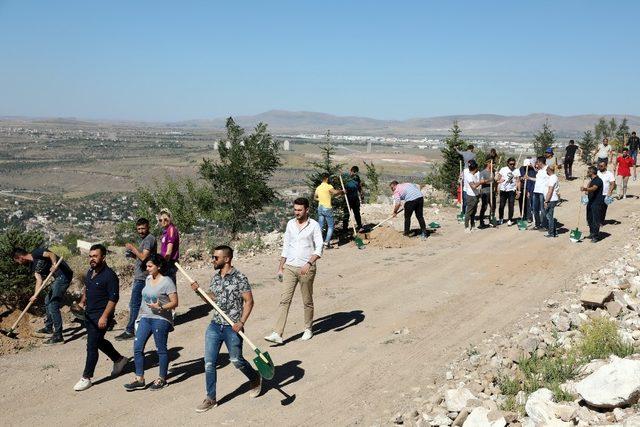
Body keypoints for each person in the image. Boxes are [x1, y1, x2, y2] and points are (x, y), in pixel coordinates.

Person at [189, 245, 261, 412]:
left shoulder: (240, 278)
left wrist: (241, 322)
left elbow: (249, 301)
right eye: (213, 257)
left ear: (226, 259)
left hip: (232, 327)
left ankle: (255, 377)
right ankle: (210, 398)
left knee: (236, 361)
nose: (213, 260)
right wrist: (199, 292)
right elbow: (212, 299)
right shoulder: (216, 277)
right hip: (215, 325)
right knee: (209, 363)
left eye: (216, 257)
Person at [265, 197, 323, 344]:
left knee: (307, 300)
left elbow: (319, 247)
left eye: (299, 210)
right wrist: (280, 267)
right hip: (290, 267)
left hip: (306, 268)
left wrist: (309, 263)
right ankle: (278, 333)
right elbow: (286, 246)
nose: (296, 212)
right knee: (284, 300)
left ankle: (308, 328)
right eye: (295, 209)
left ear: (307, 210)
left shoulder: (314, 225)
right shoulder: (290, 224)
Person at [74, 244, 129, 391]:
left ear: (103, 257)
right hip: (89, 314)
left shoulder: (109, 276)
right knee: (98, 341)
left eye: (95, 256)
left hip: (101, 315)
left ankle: (86, 378)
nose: (92, 259)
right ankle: (119, 359)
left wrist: (104, 317)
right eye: (90, 256)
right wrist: (81, 302)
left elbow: (113, 299)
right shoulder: (90, 271)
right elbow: (87, 287)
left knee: (91, 345)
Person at [123, 254, 178, 391]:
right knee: (137, 347)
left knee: (161, 349)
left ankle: (161, 378)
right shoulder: (147, 279)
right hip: (145, 318)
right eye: (146, 266)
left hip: (161, 318)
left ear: (158, 266)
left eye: (150, 266)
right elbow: (143, 301)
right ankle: (139, 378)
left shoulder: (167, 282)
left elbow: (175, 302)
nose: (147, 268)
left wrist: (161, 307)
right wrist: (138, 318)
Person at [12, 247, 74, 345]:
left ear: (20, 257)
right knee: (47, 301)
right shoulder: (32, 267)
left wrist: (54, 265)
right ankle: (48, 328)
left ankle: (58, 336)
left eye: (17, 261)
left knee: (53, 304)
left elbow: (51, 254)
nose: (19, 263)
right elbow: (39, 280)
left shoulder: (36, 253)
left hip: (64, 275)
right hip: (58, 278)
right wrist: (35, 295)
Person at [116, 218, 157, 341]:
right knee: (139, 304)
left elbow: (144, 257)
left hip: (142, 278)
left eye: (143, 228)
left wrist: (133, 248)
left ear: (148, 227)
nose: (141, 231)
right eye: (138, 229)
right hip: (141, 276)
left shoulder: (149, 239)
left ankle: (130, 330)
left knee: (134, 304)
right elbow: (143, 258)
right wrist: (134, 255)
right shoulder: (145, 240)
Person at [314, 173, 343, 249]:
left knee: (320, 225)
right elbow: (335, 192)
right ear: (326, 178)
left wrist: (321, 199)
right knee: (330, 226)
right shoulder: (328, 186)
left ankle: (318, 243)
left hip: (320, 207)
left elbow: (315, 197)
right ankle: (326, 243)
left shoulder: (319, 187)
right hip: (327, 208)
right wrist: (342, 191)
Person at [581, 166, 605, 243]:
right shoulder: (592, 180)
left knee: (595, 220)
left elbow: (594, 188)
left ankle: (596, 236)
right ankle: (592, 233)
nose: (587, 173)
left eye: (588, 172)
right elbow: (588, 190)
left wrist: (585, 189)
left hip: (597, 203)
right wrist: (587, 188)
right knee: (589, 218)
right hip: (591, 202)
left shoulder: (598, 180)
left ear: (592, 172)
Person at [496, 157, 521, 226]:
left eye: (513, 164)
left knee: (511, 205)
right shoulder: (503, 169)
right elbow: (497, 178)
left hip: (512, 190)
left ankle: (510, 219)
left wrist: (519, 191)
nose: (512, 165)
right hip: (503, 190)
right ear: (508, 163)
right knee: (501, 205)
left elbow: (518, 181)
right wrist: (499, 181)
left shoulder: (517, 170)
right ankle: (501, 218)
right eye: (511, 164)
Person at [159, 208, 179, 285]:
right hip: (166, 262)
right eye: (161, 220)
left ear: (170, 218)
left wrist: (163, 264)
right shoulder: (166, 231)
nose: (163, 221)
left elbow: (169, 250)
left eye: (165, 219)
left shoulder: (171, 229)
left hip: (169, 263)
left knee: (170, 288)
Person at [342, 166, 364, 233]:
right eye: (353, 172)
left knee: (357, 213)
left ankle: (359, 226)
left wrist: (361, 194)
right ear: (350, 171)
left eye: (356, 172)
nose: (354, 174)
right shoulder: (345, 176)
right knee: (346, 214)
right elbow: (339, 183)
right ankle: (345, 229)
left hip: (355, 198)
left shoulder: (357, 178)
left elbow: (359, 186)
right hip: (347, 198)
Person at [463, 160, 482, 233]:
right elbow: (473, 186)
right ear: (475, 168)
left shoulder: (474, 175)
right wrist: (480, 182)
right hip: (471, 196)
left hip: (476, 195)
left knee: (474, 211)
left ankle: (473, 226)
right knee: (469, 212)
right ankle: (466, 227)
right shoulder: (469, 176)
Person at [597, 160, 616, 225]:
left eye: (601, 166)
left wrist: (610, 192)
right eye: (599, 166)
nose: (600, 167)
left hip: (605, 194)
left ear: (605, 166)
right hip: (596, 193)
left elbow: (612, 183)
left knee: (603, 208)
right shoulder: (597, 173)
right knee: (596, 207)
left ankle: (601, 221)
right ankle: (595, 220)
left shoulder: (609, 174)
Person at [531, 156, 548, 230]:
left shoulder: (548, 169)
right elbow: (537, 180)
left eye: (537, 162)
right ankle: (537, 224)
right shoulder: (540, 170)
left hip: (542, 192)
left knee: (543, 209)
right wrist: (529, 178)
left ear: (540, 162)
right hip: (536, 191)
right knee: (535, 209)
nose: (536, 164)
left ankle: (544, 225)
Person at [543, 165, 560, 238]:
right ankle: (554, 232)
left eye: (547, 170)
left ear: (549, 170)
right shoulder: (553, 177)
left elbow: (550, 190)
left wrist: (546, 201)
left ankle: (551, 233)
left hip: (551, 199)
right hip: (552, 199)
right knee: (549, 216)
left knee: (549, 216)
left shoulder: (552, 178)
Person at [518, 158, 536, 223]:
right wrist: (522, 178)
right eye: (525, 166)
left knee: (529, 203)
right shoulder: (521, 169)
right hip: (523, 188)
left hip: (530, 188)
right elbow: (519, 177)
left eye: (527, 166)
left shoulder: (532, 170)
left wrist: (528, 190)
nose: (526, 167)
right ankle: (523, 216)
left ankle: (529, 217)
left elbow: (533, 180)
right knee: (523, 203)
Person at [478, 161, 494, 228]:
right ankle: (481, 222)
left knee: (493, 207)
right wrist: (489, 180)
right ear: (488, 163)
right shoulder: (482, 172)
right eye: (492, 163)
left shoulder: (493, 172)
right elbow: (481, 182)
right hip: (485, 192)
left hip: (492, 192)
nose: (493, 164)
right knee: (484, 207)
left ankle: (491, 221)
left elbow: (494, 181)